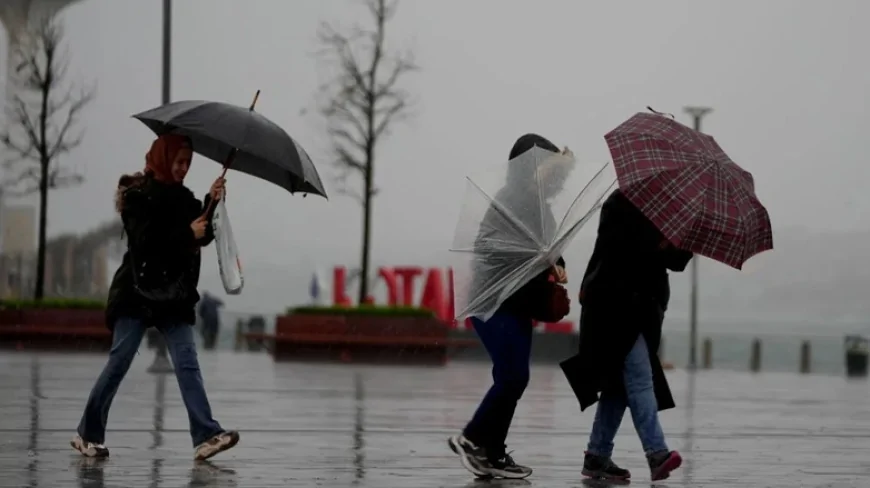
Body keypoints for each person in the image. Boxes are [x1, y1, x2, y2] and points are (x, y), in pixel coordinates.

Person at [71, 134, 240, 461]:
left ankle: (205, 434)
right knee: (120, 360)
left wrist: (213, 200)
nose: (183, 169)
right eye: (179, 162)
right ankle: (87, 434)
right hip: (136, 290)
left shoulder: (185, 198)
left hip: (172, 295)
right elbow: (146, 244)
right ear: (163, 158)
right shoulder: (138, 197)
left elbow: (201, 231)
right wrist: (186, 234)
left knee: (187, 362)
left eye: (188, 163)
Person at [448, 133, 571, 480]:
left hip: (520, 303)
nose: (551, 176)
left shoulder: (542, 207)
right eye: (543, 167)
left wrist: (556, 262)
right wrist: (534, 254)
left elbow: (550, 246)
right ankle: (471, 438)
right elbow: (486, 244)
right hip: (493, 301)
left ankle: (493, 454)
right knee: (514, 376)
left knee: (512, 378)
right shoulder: (508, 200)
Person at [561, 188, 693, 482]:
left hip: (645, 310)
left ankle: (597, 456)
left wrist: (681, 238)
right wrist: (657, 240)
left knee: (617, 386)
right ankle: (656, 453)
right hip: (614, 306)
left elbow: (677, 262)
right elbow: (616, 247)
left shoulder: (672, 211)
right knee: (639, 377)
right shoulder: (619, 202)